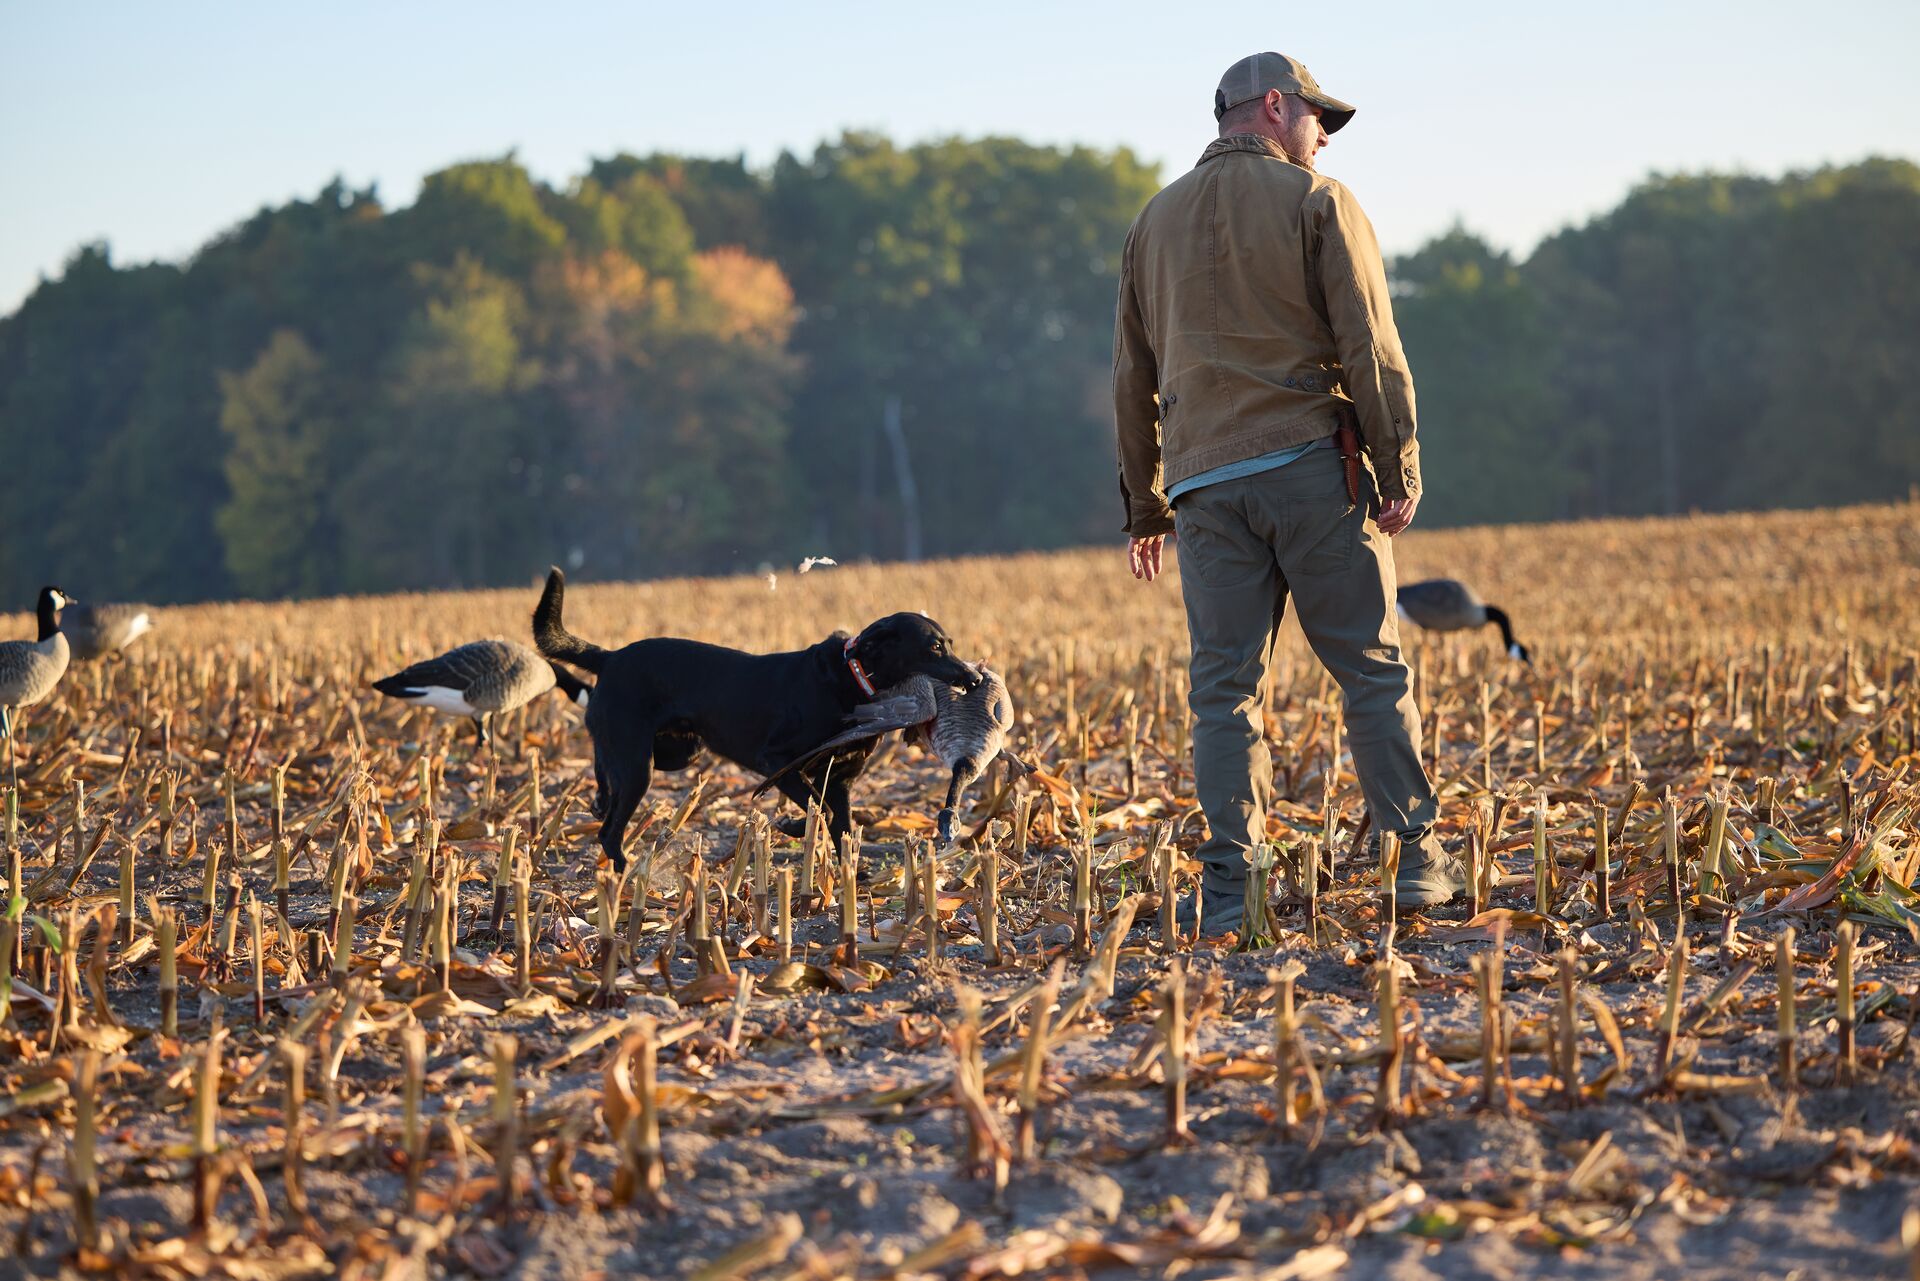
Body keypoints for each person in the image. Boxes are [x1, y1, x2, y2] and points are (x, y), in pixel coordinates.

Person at [1112, 51, 1463, 936]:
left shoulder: (1151, 222)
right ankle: (1413, 868)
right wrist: (1398, 464)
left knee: (1224, 693)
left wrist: (1146, 504)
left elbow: (1131, 376)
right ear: (1274, 107)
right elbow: (1370, 345)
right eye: (1318, 122)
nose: (1323, 142)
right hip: (1313, 467)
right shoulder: (1318, 203)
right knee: (1373, 673)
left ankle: (1233, 890)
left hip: (1204, 493)